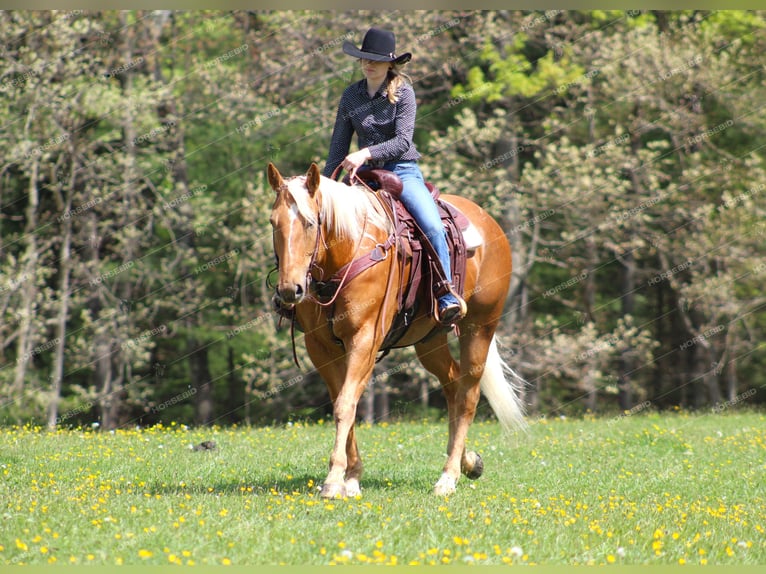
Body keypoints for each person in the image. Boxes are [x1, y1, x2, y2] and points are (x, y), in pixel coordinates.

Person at [322, 27, 467, 326]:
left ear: (390, 63)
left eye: (375, 59)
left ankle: (446, 294)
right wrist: (322, 187)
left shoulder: (404, 92)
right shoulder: (350, 96)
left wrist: (365, 153)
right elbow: (338, 147)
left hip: (403, 171)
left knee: (432, 226)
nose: (368, 64)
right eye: (364, 58)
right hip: (365, 177)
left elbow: (403, 141)